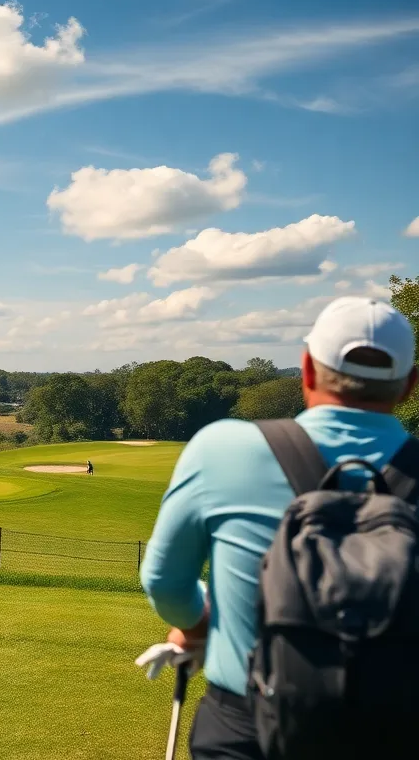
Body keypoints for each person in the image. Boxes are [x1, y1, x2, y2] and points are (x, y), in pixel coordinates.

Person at [138, 297, 418, 760]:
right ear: (409, 385)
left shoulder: (221, 448)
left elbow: (164, 583)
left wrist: (199, 623)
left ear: (306, 370)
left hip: (247, 726)